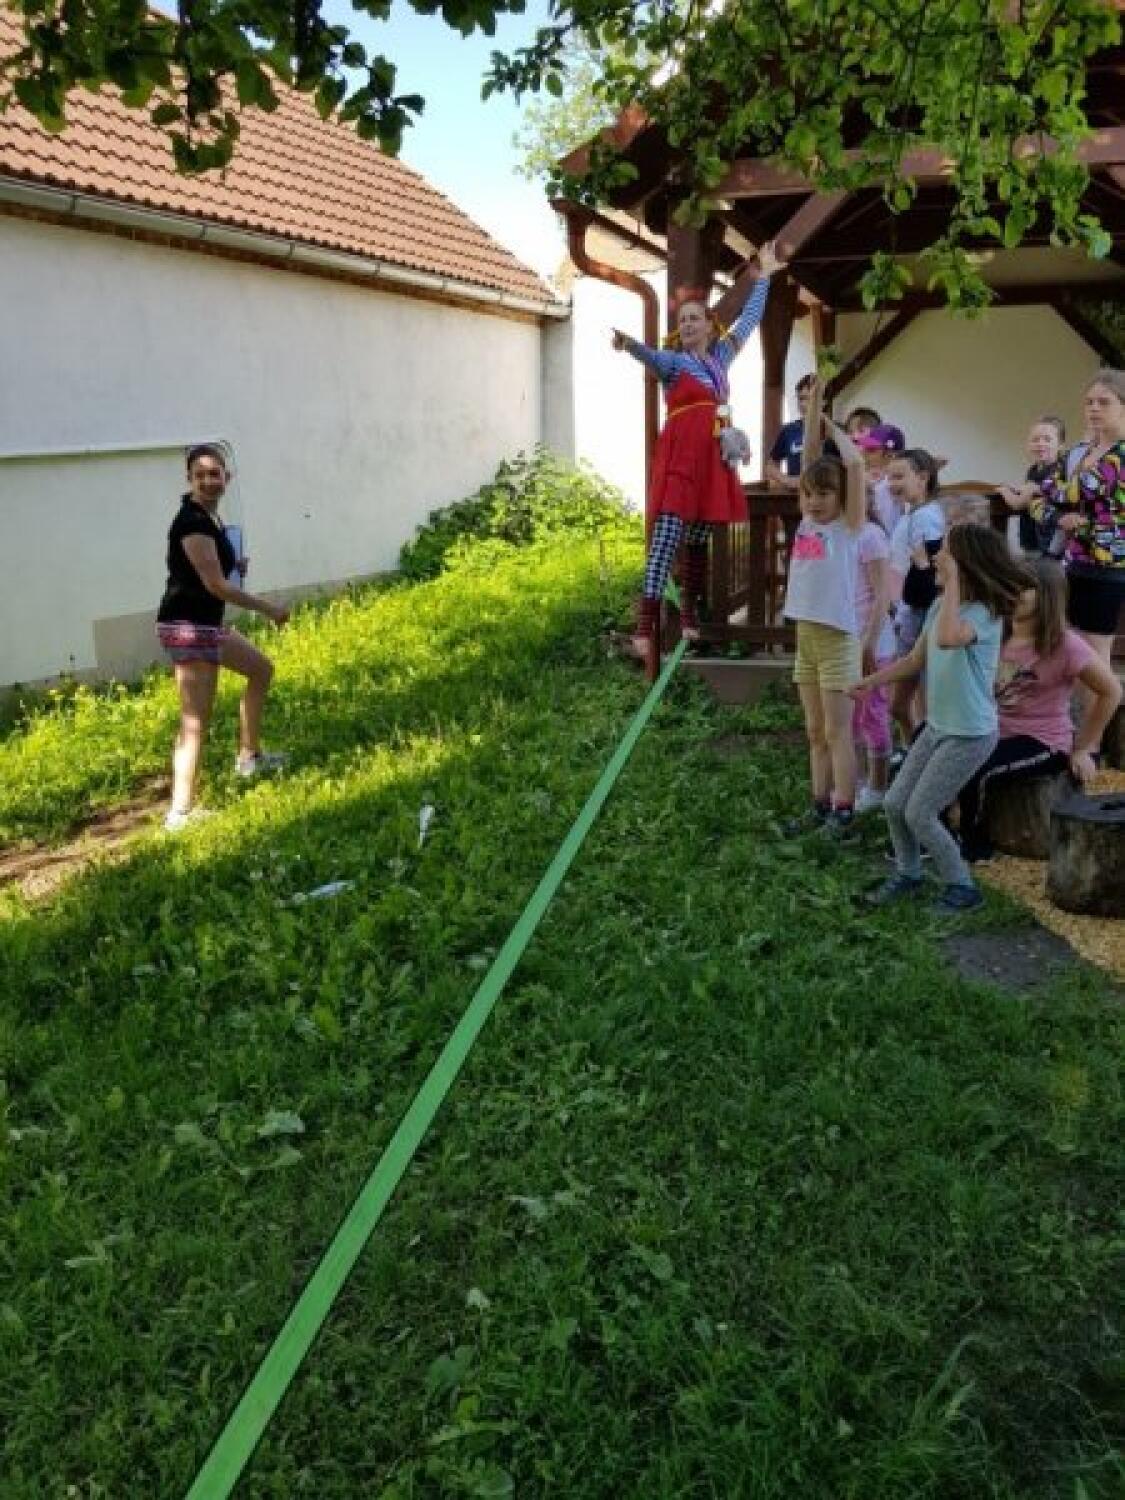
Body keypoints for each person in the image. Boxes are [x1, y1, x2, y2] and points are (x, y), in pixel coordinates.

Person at [612, 241, 783, 666]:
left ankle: (690, 613)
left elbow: (749, 320)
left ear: (710, 325)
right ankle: (644, 627)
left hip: (711, 459)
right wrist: (629, 345)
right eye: (682, 320)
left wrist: (763, 277)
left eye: (694, 319)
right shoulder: (674, 363)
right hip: (681, 458)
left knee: (698, 539)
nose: (687, 324)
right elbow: (649, 356)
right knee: (666, 538)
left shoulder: (721, 359)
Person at [854, 524, 1030, 913]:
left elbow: (950, 639)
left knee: (920, 812)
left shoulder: (984, 615)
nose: (936, 557)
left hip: (970, 734)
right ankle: (909, 875)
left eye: (946, 552)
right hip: (938, 728)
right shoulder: (938, 608)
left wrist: (952, 584)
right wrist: (871, 681)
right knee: (895, 803)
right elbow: (915, 660)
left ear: (966, 564)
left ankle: (963, 888)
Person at [156, 444, 289, 831]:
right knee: (194, 722)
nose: (208, 480)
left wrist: (235, 563)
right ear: (189, 479)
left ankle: (249, 758)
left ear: (226, 478)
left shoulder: (209, 518)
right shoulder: (193, 523)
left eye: (215, 473)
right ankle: (180, 814)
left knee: (261, 670)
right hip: (188, 629)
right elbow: (215, 585)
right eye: (200, 475)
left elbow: (210, 569)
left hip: (205, 626)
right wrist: (269, 609)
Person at [956, 558, 1122, 862]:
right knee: (931, 739)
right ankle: (933, 829)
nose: (1012, 592)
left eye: (1023, 587)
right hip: (993, 729)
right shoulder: (996, 630)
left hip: (1042, 741)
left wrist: (1084, 748)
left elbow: (1111, 691)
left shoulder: (1066, 645)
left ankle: (973, 844)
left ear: (1046, 595)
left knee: (977, 768)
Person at [781, 389, 867, 838]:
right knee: (815, 731)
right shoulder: (806, 521)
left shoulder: (848, 528)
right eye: (810, 494)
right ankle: (818, 805)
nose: (815, 501)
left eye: (825, 494)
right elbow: (810, 455)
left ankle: (844, 809)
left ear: (842, 497)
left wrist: (832, 423)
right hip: (807, 639)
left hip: (837, 641)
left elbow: (855, 465)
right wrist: (814, 404)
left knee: (837, 731)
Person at [1029, 369, 1125, 746]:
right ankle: (1068, 738)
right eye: (1089, 402)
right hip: (1073, 565)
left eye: (1104, 402)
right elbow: (1042, 498)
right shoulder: (1079, 453)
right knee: (1069, 650)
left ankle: (1092, 746)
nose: (1094, 408)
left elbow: (1072, 491)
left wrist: (1058, 495)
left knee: (1095, 659)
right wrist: (1058, 515)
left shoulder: (1120, 454)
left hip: (1107, 570)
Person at [886, 448, 946, 741]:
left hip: (920, 614)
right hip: (908, 611)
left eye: (899, 476)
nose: (892, 483)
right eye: (890, 477)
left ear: (922, 478)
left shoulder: (927, 518)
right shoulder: (914, 513)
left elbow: (931, 571)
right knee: (899, 705)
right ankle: (912, 749)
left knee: (921, 700)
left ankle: (919, 750)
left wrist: (911, 605)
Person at [852, 493, 896, 812]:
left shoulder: (871, 535)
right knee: (850, 719)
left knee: (873, 715)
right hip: (845, 643)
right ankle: (852, 783)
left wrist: (869, 641)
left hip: (873, 645)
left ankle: (878, 786)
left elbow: (883, 597)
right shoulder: (838, 535)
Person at [1000, 415, 1066, 557]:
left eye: (1047, 439)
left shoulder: (1057, 471)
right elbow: (1029, 492)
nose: (1040, 444)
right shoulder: (1034, 470)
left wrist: (1003, 490)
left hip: (1047, 540)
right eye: (1035, 439)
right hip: (1031, 535)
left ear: (1061, 445)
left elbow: (1018, 503)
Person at [765, 373, 815, 489]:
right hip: (794, 495)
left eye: (808, 399)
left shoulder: (834, 432)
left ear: (823, 401)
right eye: (800, 399)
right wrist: (786, 480)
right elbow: (770, 466)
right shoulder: (789, 430)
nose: (802, 404)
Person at [855, 421, 906, 534]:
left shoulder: (891, 483)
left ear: (891, 455)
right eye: (865, 448)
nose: (864, 453)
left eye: (871, 450)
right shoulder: (870, 478)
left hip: (886, 539)